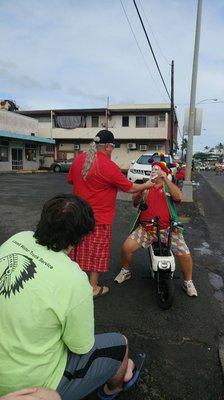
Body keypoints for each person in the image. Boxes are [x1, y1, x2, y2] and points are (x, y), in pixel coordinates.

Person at [0, 194, 145, 400]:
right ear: (80, 237)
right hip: (32, 387)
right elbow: (80, 346)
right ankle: (112, 388)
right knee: (120, 344)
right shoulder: (75, 279)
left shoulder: (18, 238)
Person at [67, 129, 154, 298]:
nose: (112, 150)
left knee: (76, 251)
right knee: (96, 252)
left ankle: (74, 284)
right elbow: (130, 188)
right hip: (98, 219)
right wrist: (147, 185)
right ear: (107, 146)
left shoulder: (79, 159)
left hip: (76, 215)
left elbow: (71, 180)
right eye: (113, 147)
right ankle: (92, 287)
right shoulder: (108, 166)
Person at [114, 161, 197, 297]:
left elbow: (179, 197)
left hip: (168, 229)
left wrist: (165, 179)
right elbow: (135, 203)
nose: (153, 170)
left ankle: (188, 281)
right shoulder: (146, 186)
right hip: (146, 229)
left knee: (185, 254)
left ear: (163, 172)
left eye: (157, 169)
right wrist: (142, 190)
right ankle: (125, 271)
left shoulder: (167, 187)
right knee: (126, 248)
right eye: (152, 168)